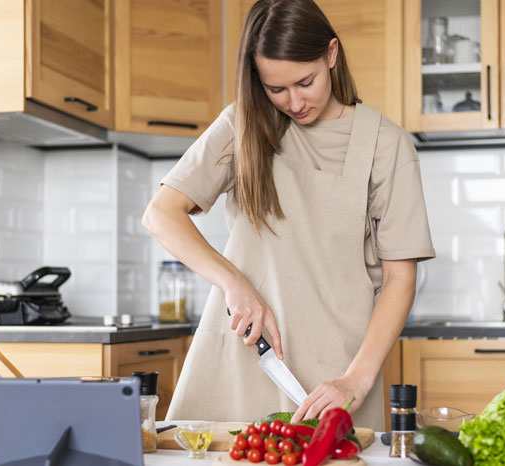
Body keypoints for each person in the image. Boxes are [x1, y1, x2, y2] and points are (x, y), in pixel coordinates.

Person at [142, 0, 435, 430]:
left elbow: (399, 279)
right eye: (275, 88)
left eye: (305, 82)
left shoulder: (386, 145)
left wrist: (356, 380)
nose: (294, 102)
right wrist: (234, 283)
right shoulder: (242, 124)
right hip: (238, 365)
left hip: (334, 381)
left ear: (331, 55)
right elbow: (161, 213)